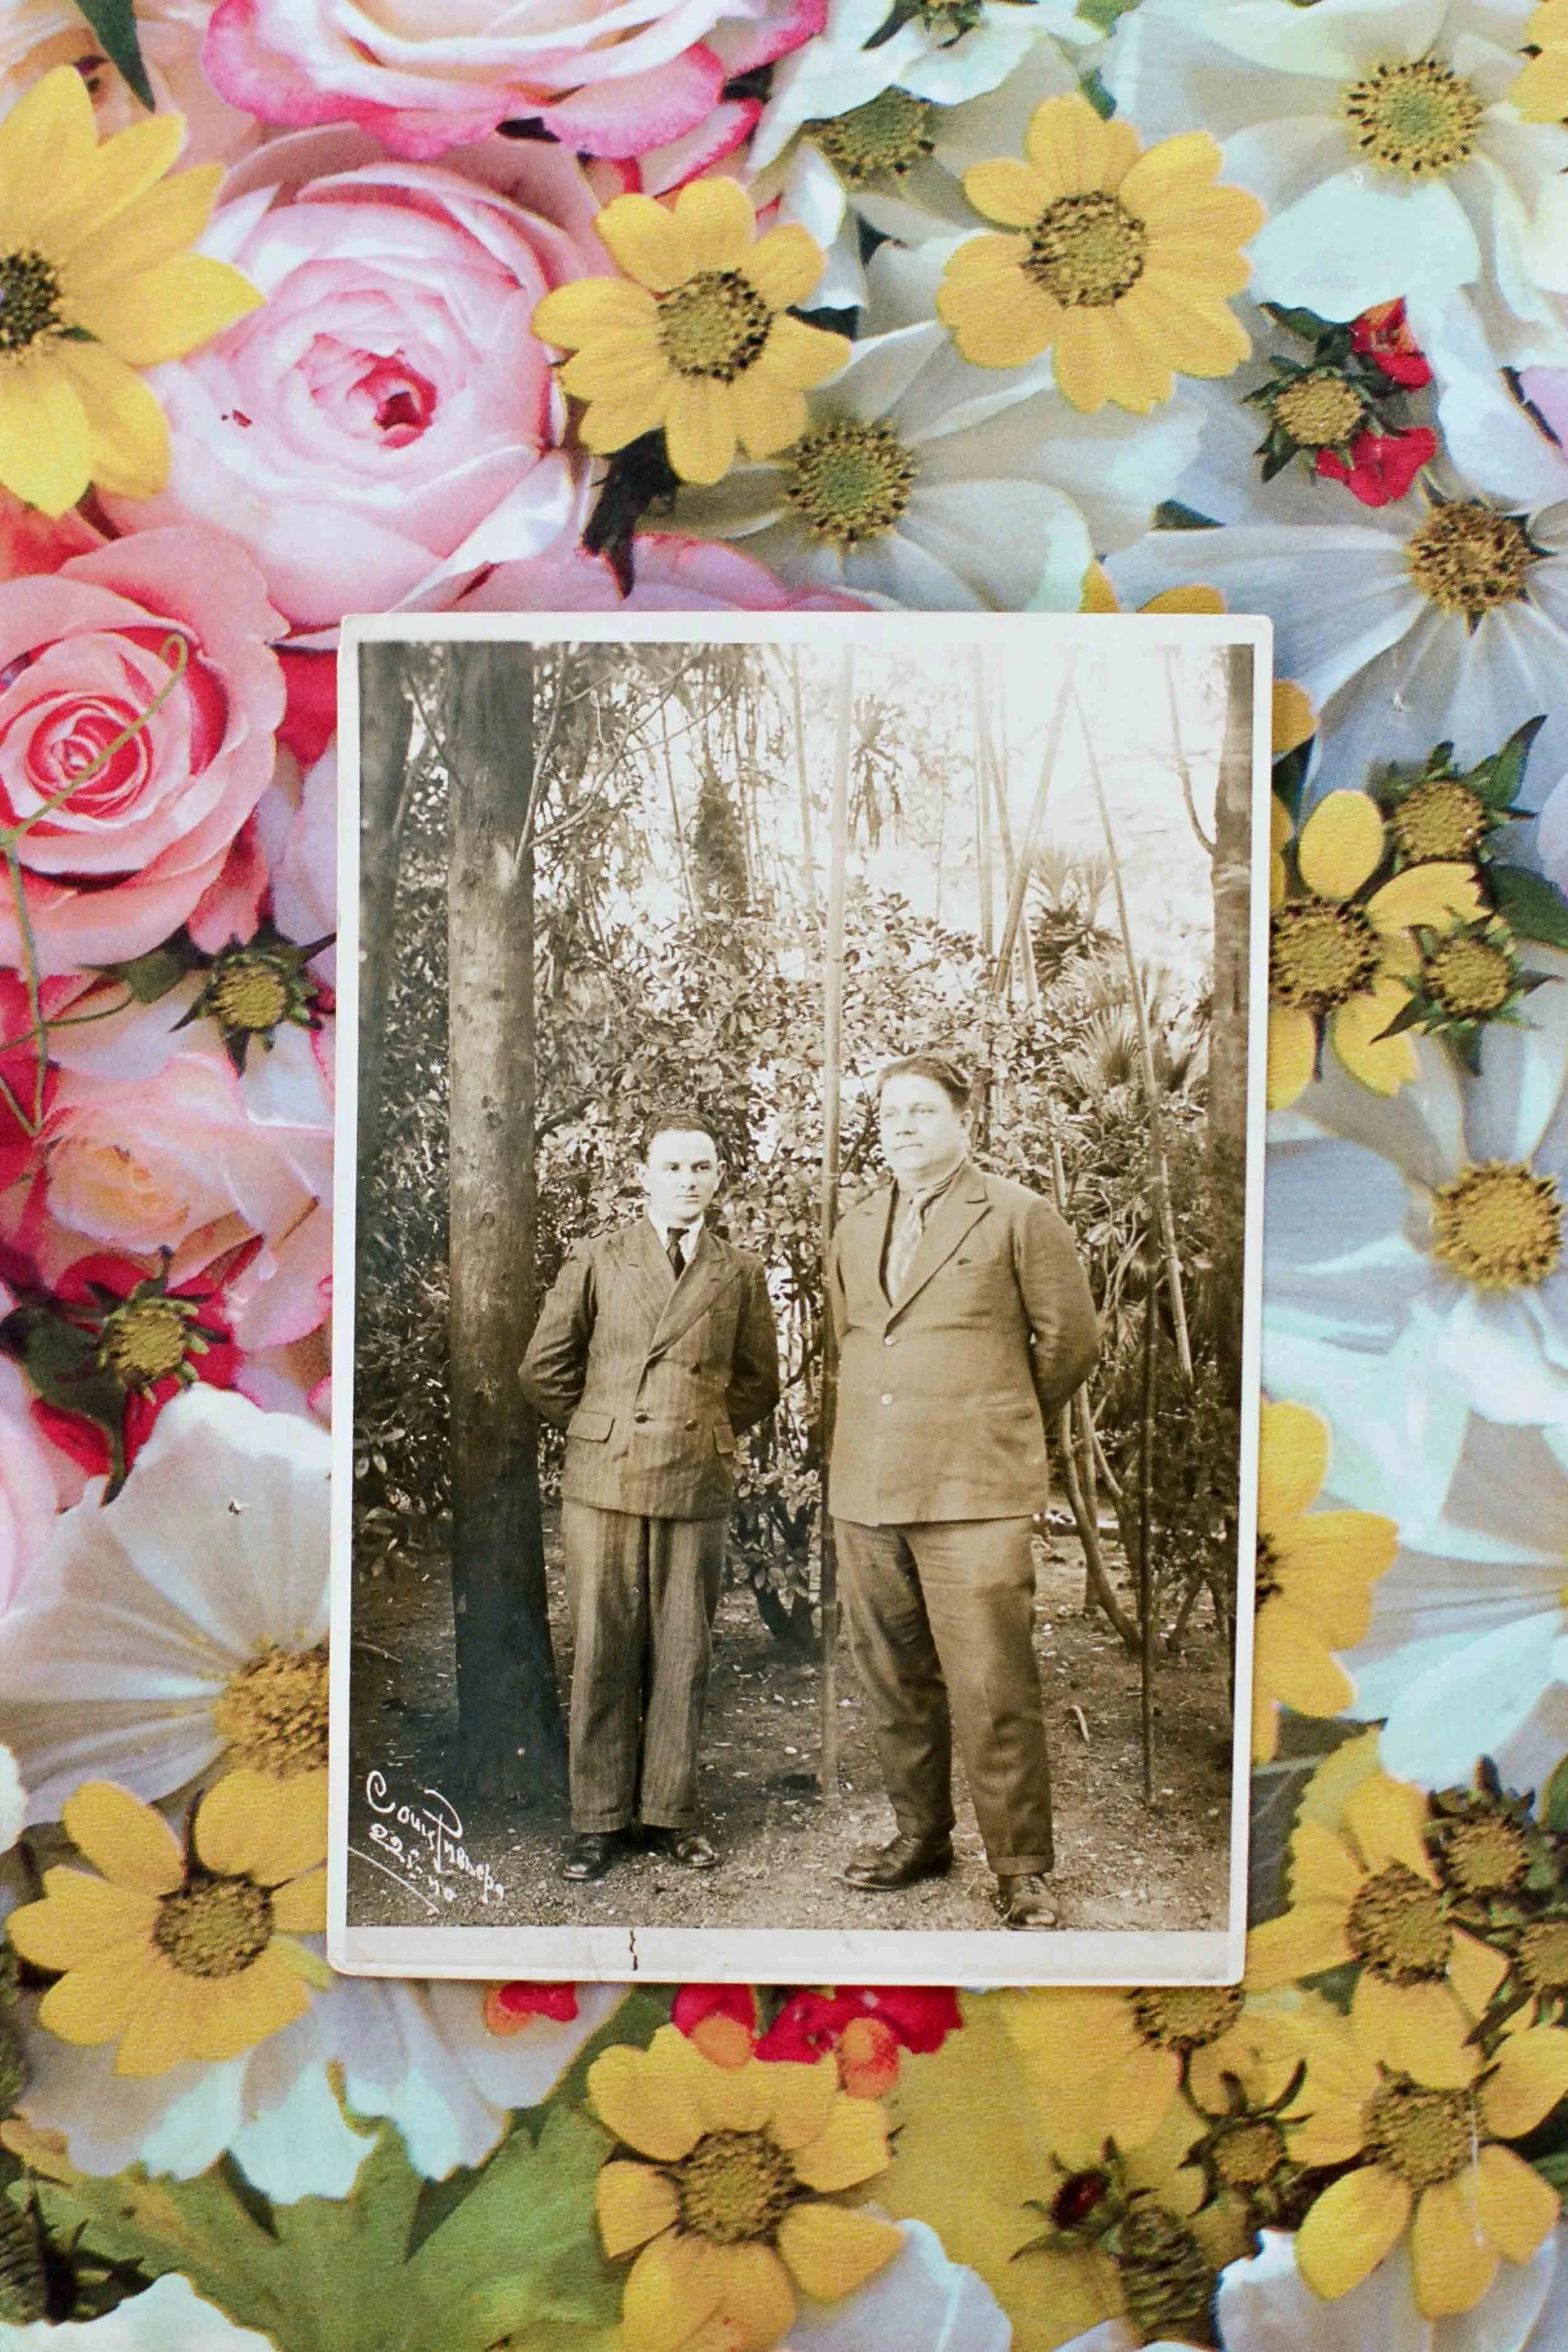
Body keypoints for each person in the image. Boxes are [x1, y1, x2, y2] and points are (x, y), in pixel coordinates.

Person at [826, 1052, 1099, 1929]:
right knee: (893, 1678)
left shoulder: (1020, 1215)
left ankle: (1021, 1868)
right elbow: (859, 1341)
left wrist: (995, 1420)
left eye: (920, 1112)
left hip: (974, 1488)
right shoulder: (856, 1222)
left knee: (992, 1683)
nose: (901, 1126)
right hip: (869, 1487)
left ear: (962, 1122)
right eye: (889, 1113)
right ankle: (921, 1835)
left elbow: (1069, 1344)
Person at [520, 1111, 780, 1883]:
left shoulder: (740, 1271)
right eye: (672, 1168)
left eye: (701, 1168)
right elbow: (544, 1369)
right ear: (643, 1175)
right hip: (605, 1480)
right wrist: (601, 1428)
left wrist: (701, 1427)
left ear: (719, 1177)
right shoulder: (597, 1259)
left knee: (683, 1651)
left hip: (694, 1477)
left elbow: (758, 1381)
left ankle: (670, 1815)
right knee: (602, 1647)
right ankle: (597, 1821)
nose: (687, 1181)